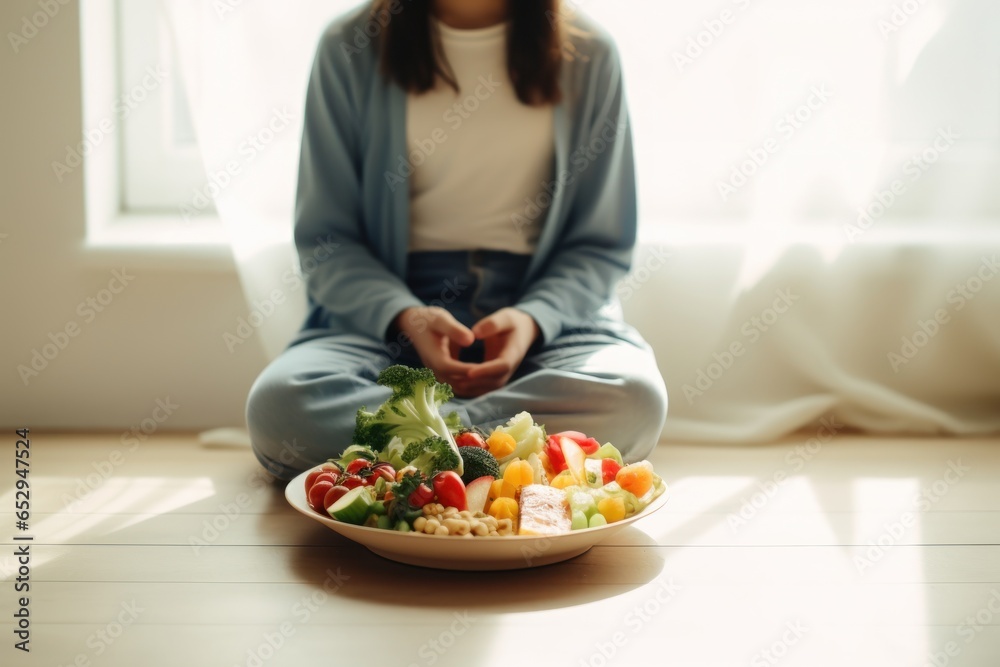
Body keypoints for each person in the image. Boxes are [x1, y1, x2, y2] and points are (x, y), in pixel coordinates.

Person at [246, 0, 667, 481]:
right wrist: (407, 316)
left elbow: (601, 244)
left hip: (545, 309)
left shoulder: (591, 53)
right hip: (384, 314)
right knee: (281, 408)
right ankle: (507, 448)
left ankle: (423, 446)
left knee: (634, 399)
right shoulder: (348, 46)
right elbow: (328, 241)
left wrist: (533, 318)